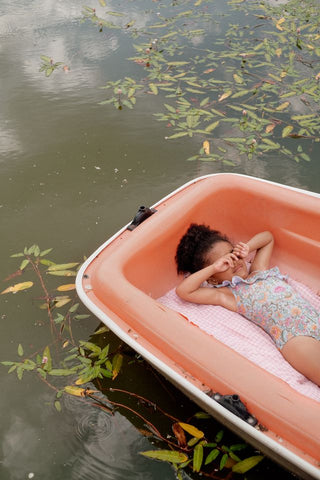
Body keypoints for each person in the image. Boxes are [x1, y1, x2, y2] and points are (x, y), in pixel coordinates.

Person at [175, 224, 320, 386]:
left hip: (315, 319)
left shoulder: (259, 270)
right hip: (295, 338)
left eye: (233, 254)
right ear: (212, 279)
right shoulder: (228, 295)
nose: (234, 262)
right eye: (225, 263)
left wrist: (246, 248)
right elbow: (184, 291)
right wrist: (213, 268)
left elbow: (267, 237)